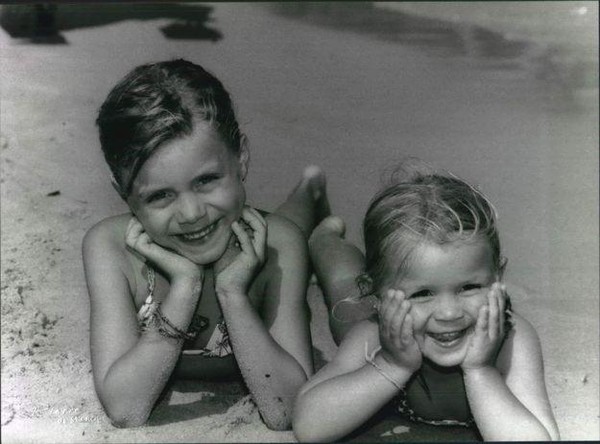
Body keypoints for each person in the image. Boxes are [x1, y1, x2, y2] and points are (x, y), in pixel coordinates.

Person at [82, 59, 328, 430]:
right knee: (280, 221)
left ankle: (312, 189)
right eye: (160, 195)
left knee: (294, 226)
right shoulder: (110, 249)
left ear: (241, 158)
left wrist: (233, 293)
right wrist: (185, 285)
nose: (192, 213)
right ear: (124, 195)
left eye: (206, 180)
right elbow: (126, 408)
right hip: (232, 223)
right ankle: (307, 189)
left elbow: (286, 411)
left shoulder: (279, 247)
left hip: (264, 229)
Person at [293, 164, 560, 441]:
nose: (448, 313)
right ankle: (325, 237)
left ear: (497, 279)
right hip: (364, 312)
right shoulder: (373, 335)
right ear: (379, 297)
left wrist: (480, 371)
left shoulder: (511, 340)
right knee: (343, 286)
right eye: (422, 293)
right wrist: (392, 364)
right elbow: (308, 427)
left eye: (469, 287)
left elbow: (542, 437)